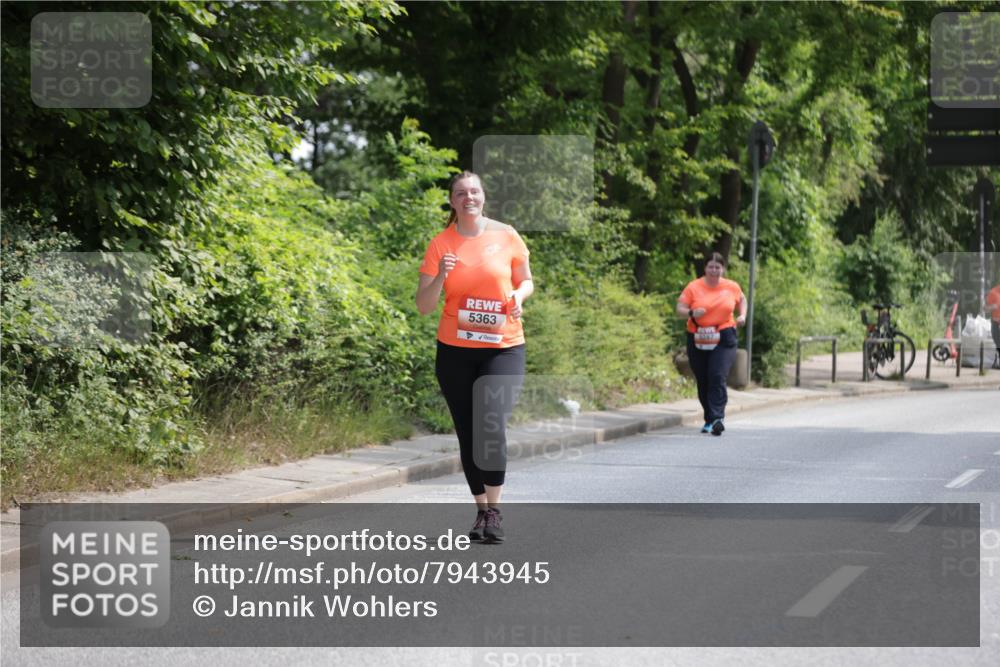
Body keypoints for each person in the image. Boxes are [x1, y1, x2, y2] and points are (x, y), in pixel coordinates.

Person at [416, 171, 533, 543]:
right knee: (468, 433)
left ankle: (495, 509)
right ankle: (481, 511)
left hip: (504, 346)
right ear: (452, 201)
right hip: (455, 351)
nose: (469, 197)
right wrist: (440, 277)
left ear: (483, 196)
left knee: (491, 425)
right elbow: (423, 305)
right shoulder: (440, 244)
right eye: (461, 193)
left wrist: (518, 297)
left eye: (475, 191)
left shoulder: (507, 235)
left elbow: (526, 280)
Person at [676, 252, 747, 436]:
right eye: (711, 267)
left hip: (724, 335)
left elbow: (742, 299)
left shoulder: (731, 286)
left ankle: (717, 418)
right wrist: (692, 313)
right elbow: (679, 309)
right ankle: (709, 417)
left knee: (717, 375)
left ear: (723, 268)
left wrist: (742, 315)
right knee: (703, 378)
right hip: (697, 335)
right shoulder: (694, 287)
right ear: (705, 268)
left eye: (718, 267)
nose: (714, 270)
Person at [987, 283, 1000, 367]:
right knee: (998, 344)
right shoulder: (993, 293)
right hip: (996, 323)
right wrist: (992, 307)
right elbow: (985, 308)